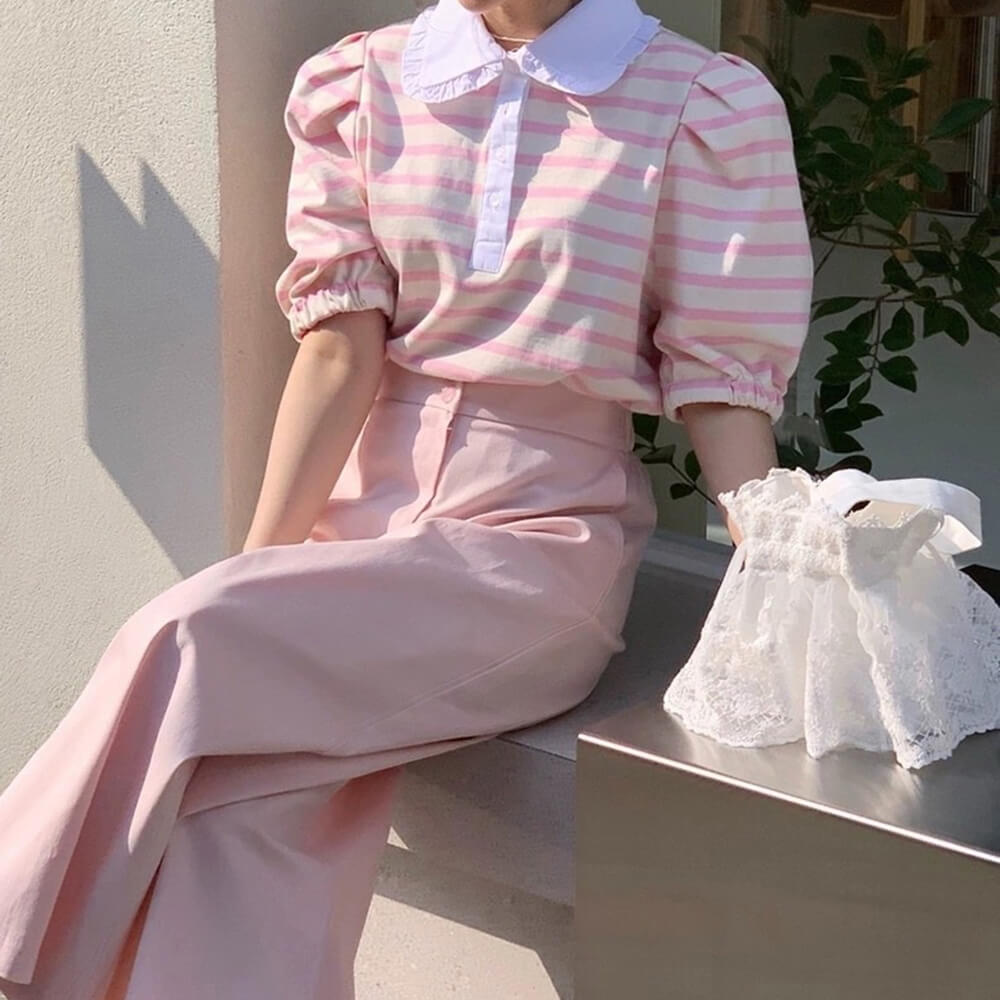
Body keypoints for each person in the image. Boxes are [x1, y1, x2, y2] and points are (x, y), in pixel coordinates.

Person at [0, 0, 813, 996]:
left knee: (187, 633)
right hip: (362, 522)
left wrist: (791, 564)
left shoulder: (700, 104)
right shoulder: (365, 83)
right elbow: (337, 352)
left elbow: (723, 391)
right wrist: (266, 569)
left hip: (537, 540)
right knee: (242, 811)